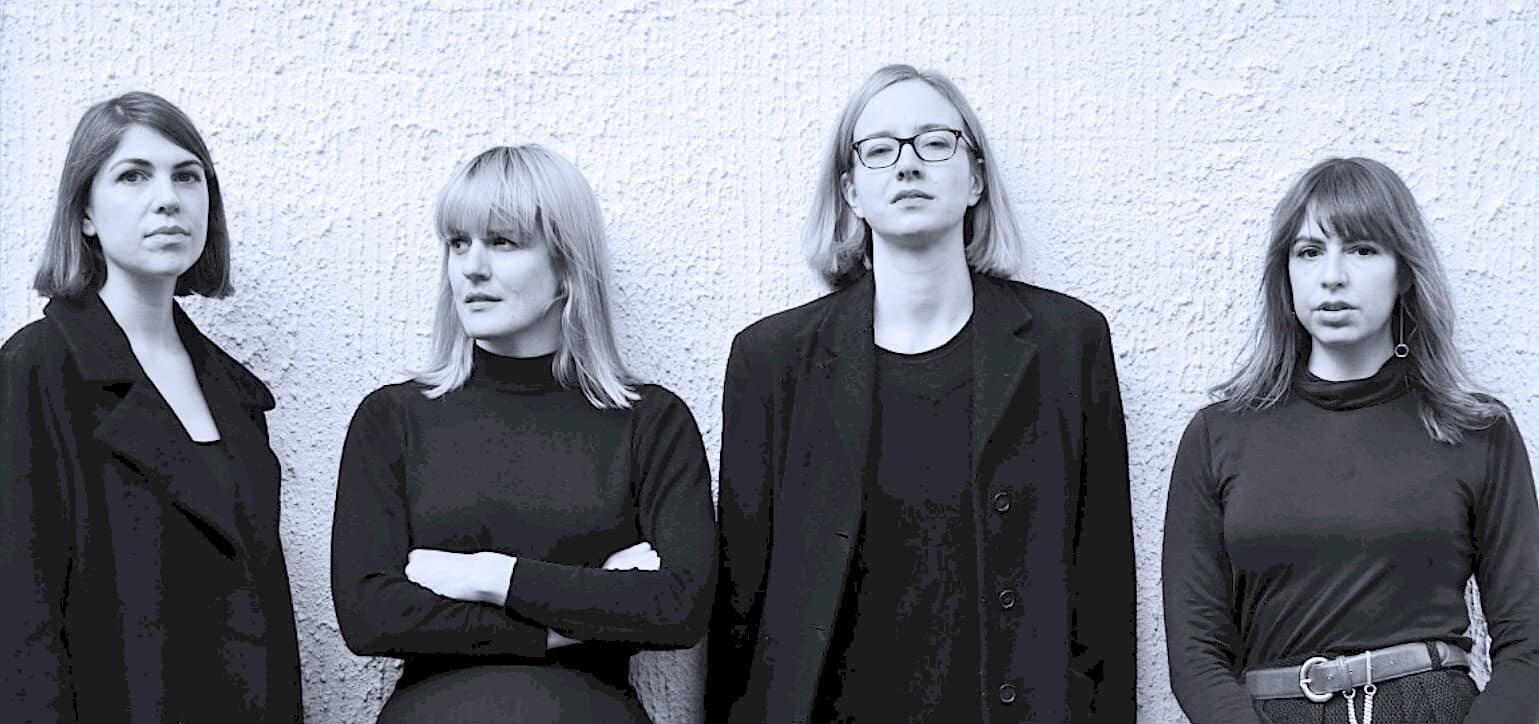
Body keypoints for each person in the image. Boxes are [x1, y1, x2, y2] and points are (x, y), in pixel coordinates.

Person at [705, 64, 1135, 723]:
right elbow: (741, 603)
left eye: (934, 142)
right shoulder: (771, 362)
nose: (907, 165)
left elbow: (1101, 585)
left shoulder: (1066, 346)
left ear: (976, 178)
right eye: (878, 149)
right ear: (850, 189)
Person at [329, 144, 716, 723]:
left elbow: (679, 608)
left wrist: (483, 575)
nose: (471, 267)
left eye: (502, 242)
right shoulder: (394, 418)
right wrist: (585, 611)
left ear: (567, 265)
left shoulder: (649, 421)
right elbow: (370, 616)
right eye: (458, 243)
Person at [1162, 157, 1539, 723]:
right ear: (1285, 274)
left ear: (1404, 271)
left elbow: (1529, 643)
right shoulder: (1219, 435)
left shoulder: (1476, 431)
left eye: (1362, 249)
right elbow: (1196, 654)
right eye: (1310, 251)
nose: (1332, 275)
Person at [0, 91, 304, 723]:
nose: (168, 198)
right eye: (133, 175)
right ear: (84, 212)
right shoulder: (37, 370)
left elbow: (265, 613)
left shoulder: (235, 392)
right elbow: (18, 615)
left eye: (187, 176)